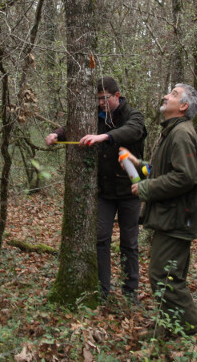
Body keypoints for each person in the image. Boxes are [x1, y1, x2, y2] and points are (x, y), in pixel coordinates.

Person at [45, 76, 147, 301]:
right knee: (101, 239)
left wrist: (105, 136)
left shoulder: (133, 115)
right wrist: (57, 134)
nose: (101, 103)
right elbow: (73, 126)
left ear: (117, 96)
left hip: (131, 191)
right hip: (105, 193)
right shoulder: (95, 116)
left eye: (105, 98)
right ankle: (102, 290)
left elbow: (132, 130)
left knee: (129, 243)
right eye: (98, 99)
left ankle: (130, 292)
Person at [123, 83, 197, 335]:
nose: (166, 95)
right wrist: (137, 163)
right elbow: (164, 170)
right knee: (166, 275)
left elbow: (185, 177)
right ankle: (168, 326)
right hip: (172, 217)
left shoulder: (181, 133)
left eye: (173, 94)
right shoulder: (172, 131)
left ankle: (191, 329)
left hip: (178, 218)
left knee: (165, 276)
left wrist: (145, 189)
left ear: (183, 106)